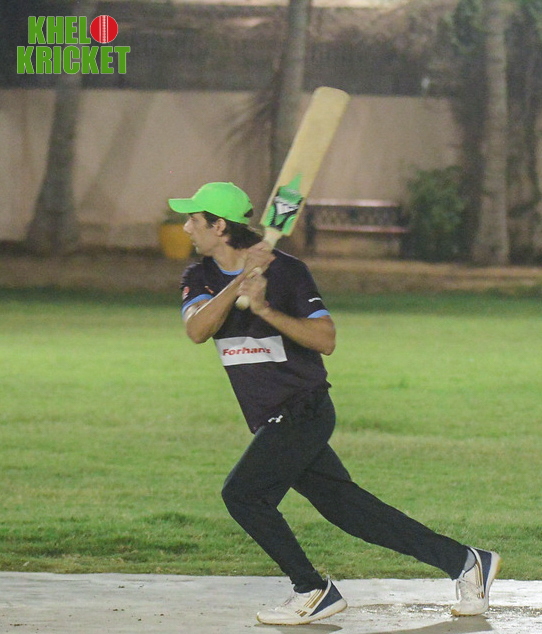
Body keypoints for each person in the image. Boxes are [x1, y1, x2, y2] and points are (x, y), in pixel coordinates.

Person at [169, 182, 500, 626]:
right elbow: (197, 330)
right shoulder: (198, 277)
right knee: (350, 512)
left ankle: (312, 590)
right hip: (268, 416)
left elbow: (325, 340)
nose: (186, 227)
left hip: (303, 408)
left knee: (243, 495)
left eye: (193, 219)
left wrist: (264, 309)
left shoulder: (288, 272)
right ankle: (466, 562)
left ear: (218, 226)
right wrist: (238, 284)